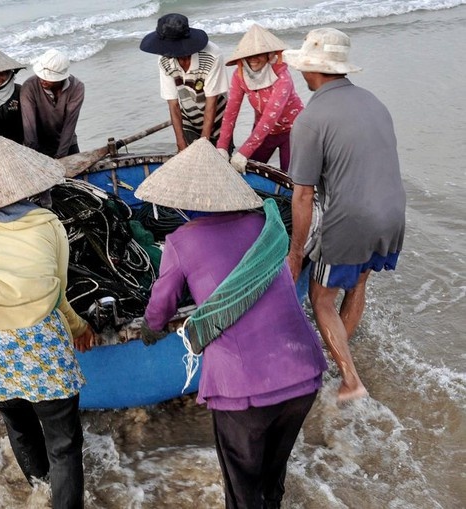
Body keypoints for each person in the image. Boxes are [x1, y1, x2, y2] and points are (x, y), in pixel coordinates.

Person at [136, 138, 327, 509]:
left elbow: (160, 307)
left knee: (242, 492)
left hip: (243, 390)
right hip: (303, 374)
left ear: (185, 202)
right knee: (272, 480)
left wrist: (150, 328)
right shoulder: (268, 227)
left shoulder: (179, 241)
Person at [0, 134, 97, 508]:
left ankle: (40, 488)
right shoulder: (47, 224)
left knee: (19, 425)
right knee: (64, 444)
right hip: (42, 350)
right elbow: (57, 291)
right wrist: (80, 328)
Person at [283, 28, 406, 402]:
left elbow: (303, 195)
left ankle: (350, 380)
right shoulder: (373, 101)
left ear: (314, 71)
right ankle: (338, 354)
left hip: (352, 222)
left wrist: (295, 254)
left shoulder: (310, 119)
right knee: (358, 283)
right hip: (393, 214)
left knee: (321, 298)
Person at [215, 24, 304, 173]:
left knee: (291, 177)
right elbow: (231, 112)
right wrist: (222, 146)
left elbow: (270, 116)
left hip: (293, 130)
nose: (253, 60)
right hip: (264, 131)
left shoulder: (282, 77)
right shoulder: (239, 75)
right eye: (248, 56)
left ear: (269, 54)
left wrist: (244, 151)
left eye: (259, 54)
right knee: (249, 170)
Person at [140, 13, 228, 152]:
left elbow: (212, 102)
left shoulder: (212, 56)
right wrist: (180, 143)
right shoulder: (164, 61)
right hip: (188, 115)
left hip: (218, 117)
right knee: (189, 158)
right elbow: (173, 104)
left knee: (220, 160)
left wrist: (204, 143)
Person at [20, 48, 85, 158]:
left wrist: (60, 157)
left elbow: (69, 125)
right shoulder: (29, 87)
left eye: (48, 78)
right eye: (41, 75)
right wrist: (33, 158)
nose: (42, 79)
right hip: (40, 145)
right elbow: (29, 127)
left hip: (67, 142)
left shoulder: (77, 88)